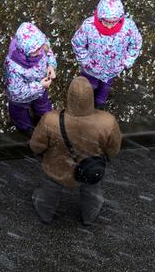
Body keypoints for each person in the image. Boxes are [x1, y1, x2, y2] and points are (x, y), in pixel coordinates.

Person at [29, 76, 122, 225]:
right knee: (92, 193)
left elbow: (36, 146)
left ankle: (45, 213)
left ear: (69, 96)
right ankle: (89, 216)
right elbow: (113, 150)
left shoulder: (50, 120)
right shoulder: (108, 121)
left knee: (49, 193)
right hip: (90, 168)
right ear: (91, 96)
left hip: (57, 168)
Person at [71, 0, 143, 109]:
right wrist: (85, 60)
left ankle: (100, 103)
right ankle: (85, 101)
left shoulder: (128, 27)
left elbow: (136, 43)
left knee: (105, 87)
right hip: (91, 68)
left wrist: (128, 60)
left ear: (120, 18)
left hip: (113, 68)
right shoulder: (89, 26)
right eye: (106, 21)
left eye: (113, 22)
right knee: (88, 86)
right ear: (100, 16)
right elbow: (77, 43)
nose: (109, 26)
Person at [3, 22, 57, 137]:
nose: (39, 53)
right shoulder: (12, 66)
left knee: (43, 107)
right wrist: (40, 85)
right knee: (19, 113)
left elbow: (48, 52)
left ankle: (45, 119)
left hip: (41, 88)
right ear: (24, 50)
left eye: (40, 49)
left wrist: (51, 65)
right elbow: (16, 92)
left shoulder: (40, 45)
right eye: (35, 51)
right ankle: (25, 127)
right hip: (22, 99)